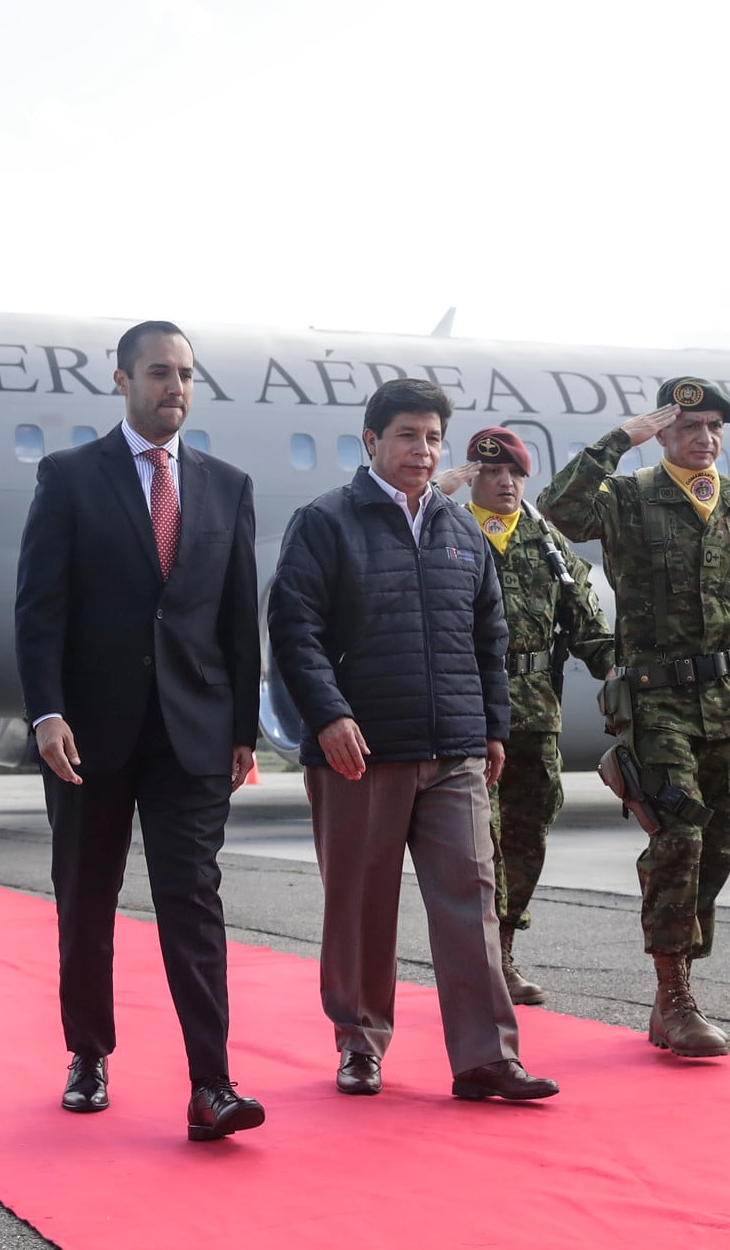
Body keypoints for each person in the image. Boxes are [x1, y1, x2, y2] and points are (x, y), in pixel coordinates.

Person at [268, 378, 558, 1103]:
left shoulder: (463, 533)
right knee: (362, 906)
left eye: (432, 438)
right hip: (360, 752)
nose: (422, 451)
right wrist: (329, 715)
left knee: (472, 900)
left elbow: (490, 639)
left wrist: (494, 726)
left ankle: (487, 1056)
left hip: (455, 750)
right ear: (371, 442)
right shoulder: (325, 522)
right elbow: (293, 630)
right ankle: (360, 1044)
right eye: (407, 436)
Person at [14, 320, 266, 1142]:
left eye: (187, 374)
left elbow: (237, 621)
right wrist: (46, 711)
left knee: (192, 900)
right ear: (121, 380)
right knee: (86, 899)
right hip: (88, 735)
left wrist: (242, 729)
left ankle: (212, 1084)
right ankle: (88, 1053)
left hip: (192, 733)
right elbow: (39, 608)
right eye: (159, 373)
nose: (176, 387)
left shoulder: (227, 485)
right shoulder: (70, 478)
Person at [538, 377, 730, 1059]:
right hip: (655, 700)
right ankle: (672, 994)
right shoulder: (628, 498)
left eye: (715, 426)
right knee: (680, 832)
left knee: (718, 846)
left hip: (728, 701)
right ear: (661, 432)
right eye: (690, 426)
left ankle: (683, 970)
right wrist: (615, 441)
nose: (706, 437)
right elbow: (558, 507)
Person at [436, 426, 616, 1006]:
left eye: (514, 473)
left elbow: (587, 624)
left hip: (535, 713)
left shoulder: (547, 545)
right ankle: (477, 961)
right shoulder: (446, 533)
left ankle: (503, 951)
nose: (506, 483)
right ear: (473, 477)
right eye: (492, 473)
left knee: (526, 833)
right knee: (474, 843)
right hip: (465, 710)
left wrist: (619, 673)